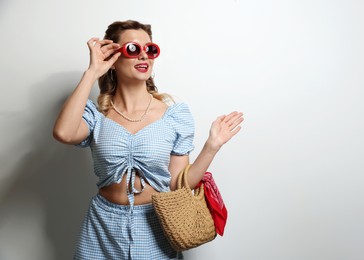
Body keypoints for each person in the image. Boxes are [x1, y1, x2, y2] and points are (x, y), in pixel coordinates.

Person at [52, 19, 244, 260]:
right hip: (102, 227)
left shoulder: (174, 115)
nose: (144, 56)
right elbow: (64, 133)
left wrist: (211, 147)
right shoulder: (97, 116)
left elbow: (178, 185)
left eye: (150, 49)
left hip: (156, 227)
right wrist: (92, 72)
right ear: (113, 57)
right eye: (133, 49)